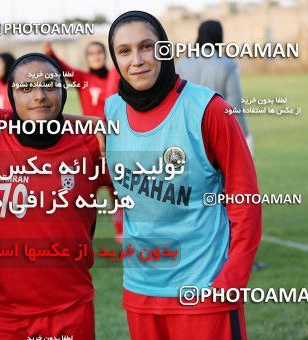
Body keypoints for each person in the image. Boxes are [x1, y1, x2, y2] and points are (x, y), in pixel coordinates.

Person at [105, 11, 261, 339]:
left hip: (205, 291)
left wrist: (231, 280)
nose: (137, 60)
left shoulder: (211, 110)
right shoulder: (112, 111)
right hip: (141, 292)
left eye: (147, 46)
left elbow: (245, 199)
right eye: (124, 51)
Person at [0, 53, 110, 340]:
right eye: (26, 88)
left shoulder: (92, 144)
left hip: (72, 310)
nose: (39, 96)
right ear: (10, 95)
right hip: (1, 315)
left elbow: (144, 192)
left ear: (63, 89)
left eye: (50, 85)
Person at [44, 41, 124, 243]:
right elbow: (63, 69)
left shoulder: (117, 76)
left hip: (115, 139)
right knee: (86, 190)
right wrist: (50, 52)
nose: (96, 56)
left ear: (105, 55)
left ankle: (121, 231)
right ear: (87, 58)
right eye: (92, 53)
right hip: (91, 143)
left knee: (118, 189)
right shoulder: (83, 79)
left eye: (99, 52)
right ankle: (80, 234)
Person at [176, 20, 254, 155]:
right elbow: (234, 105)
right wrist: (245, 137)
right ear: (219, 37)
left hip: (187, 138)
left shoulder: (182, 64)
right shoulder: (228, 65)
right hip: (218, 136)